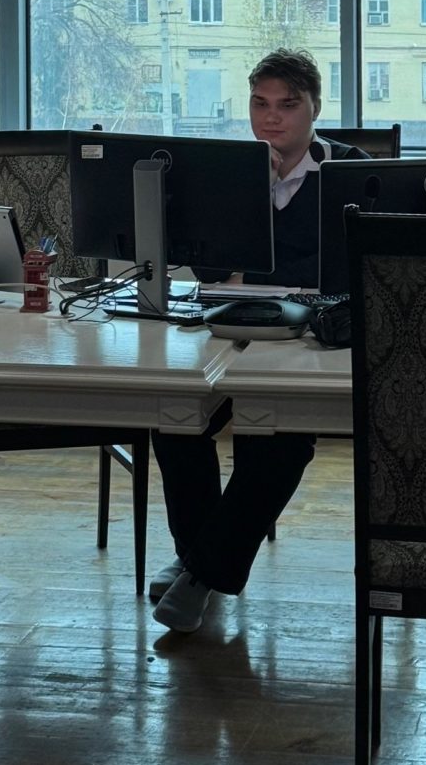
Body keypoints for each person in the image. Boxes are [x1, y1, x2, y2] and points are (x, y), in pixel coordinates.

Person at [150, 48, 368, 634]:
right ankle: (198, 555)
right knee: (173, 419)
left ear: (315, 108)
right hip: (224, 324)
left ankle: (202, 573)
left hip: (305, 336)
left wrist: (252, 270)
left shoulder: (348, 172)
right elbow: (205, 267)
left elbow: (343, 270)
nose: (272, 117)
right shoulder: (227, 171)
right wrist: (254, 196)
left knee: (280, 440)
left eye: (288, 105)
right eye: (260, 103)